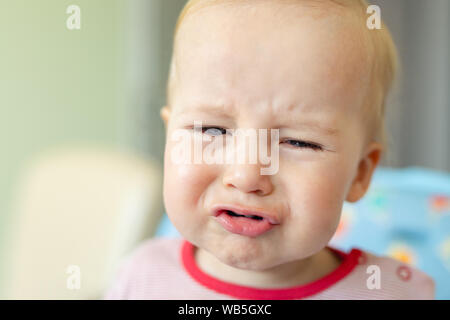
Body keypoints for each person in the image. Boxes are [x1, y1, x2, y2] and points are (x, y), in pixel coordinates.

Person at [104, 0, 435, 299]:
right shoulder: (142, 278)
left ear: (360, 172)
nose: (247, 175)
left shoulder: (393, 292)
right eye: (212, 130)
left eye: (298, 141)